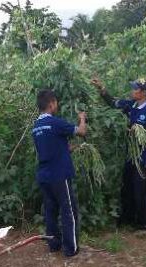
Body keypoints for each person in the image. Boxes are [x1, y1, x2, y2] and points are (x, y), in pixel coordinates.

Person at [91, 77, 146, 230]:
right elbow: (114, 103)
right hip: (129, 157)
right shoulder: (131, 106)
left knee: (141, 192)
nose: (132, 90)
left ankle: (143, 224)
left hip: (143, 159)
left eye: (135, 88)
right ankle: (128, 220)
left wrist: (141, 132)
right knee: (127, 189)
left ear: (143, 93)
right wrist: (102, 89)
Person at [32, 89, 87, 257]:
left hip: (44, 176)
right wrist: (82, 119)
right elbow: (81, 131)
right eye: (56, 102)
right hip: (59, 175)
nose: (57, 105)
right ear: (51, 104)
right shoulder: (56, 123)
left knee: (50, 210)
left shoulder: (36, 127)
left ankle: (54, 245)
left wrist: (70, 148)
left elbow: (51, 148)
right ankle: (71, 249)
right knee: (68, 210)